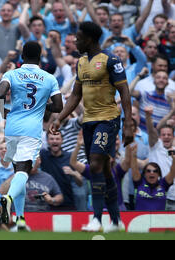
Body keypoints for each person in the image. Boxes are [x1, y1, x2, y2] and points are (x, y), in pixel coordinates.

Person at [50, 22, 134, 232]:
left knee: (95, 164)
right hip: (88, 121)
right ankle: (116, 221)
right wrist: (60, 118)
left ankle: (96, 218)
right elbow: (76, 94)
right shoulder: (81, 62)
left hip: (107, 120)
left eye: (78, 38)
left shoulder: (111, 60)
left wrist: (128, 124)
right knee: (105, 170)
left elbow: (124, 92)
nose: (75, 42)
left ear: (90, 39)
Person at [0, 41, 63, 229]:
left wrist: (3, 112)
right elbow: (59, 106)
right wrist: (42, 105)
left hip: (12, 127)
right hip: (31, 130)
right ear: (40, 57)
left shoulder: (12, 74)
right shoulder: (49, 78)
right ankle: (8, 198)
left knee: (18, 172)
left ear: (22, 57)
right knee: (24, 172)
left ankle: (20, 220)